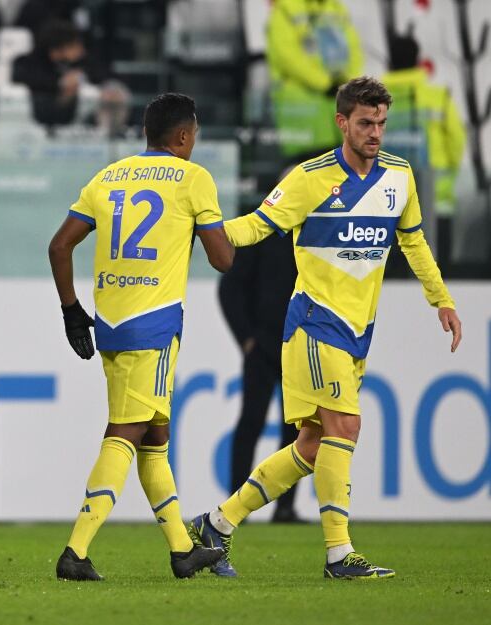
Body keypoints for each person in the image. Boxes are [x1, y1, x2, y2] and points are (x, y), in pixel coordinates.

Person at [189, 76, 462, 580]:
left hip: (358, 331)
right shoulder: (310, 178)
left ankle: (217, 523)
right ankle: (340, 555)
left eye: (381, 123)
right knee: (346, 427)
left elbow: (415, 242)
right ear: (342, 123)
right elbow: (255, 225)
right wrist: (205, 229)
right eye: (365, 122)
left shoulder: (399, 177)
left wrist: (441, 299)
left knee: (312, 446)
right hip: (315, 323)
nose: (375, 132)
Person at [49, 93, 231, 581]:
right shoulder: (194, 179)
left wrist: (71, 310)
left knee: (154, 436)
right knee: (125, 433)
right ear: (184, 136)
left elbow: (60, 245)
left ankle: (181, 549)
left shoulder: (109, 176)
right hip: (154, 324)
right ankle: (76, 551)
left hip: (109, 323)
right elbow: (223, 259)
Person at [218, 200, 301, 524]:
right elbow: (230, 286)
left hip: (297, 345)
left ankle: (284, 507)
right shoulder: (263, 230)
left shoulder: (311, 230)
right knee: (251, 422)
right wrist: (246, 338)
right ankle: (235, 507)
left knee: (294, 430)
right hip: (264, 345)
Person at [381, 34, 466, 264]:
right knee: (438, 281)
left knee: (391, 285)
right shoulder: (438, 98)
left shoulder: (372, 102)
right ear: (419, 61)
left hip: (386, 209)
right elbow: (457, 142)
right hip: (436, 204)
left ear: (389, 63)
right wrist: (447, 178)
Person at [267, 0, 363, 159]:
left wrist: (348, 82)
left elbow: (354, 48)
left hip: (338, 120)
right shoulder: (286, 9)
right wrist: (324, 83)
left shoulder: (335, 7)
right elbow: (287, 56)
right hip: (305, 123)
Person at [11, 20, 107, 127]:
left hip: (74, 117)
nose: (80, 49)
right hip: (39, 114)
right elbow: (26, 78)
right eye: (74, 45)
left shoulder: (83, 63)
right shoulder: (27, 62)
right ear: (59, 49)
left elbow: (100, 76)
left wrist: (79, 78)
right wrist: (61, 82)